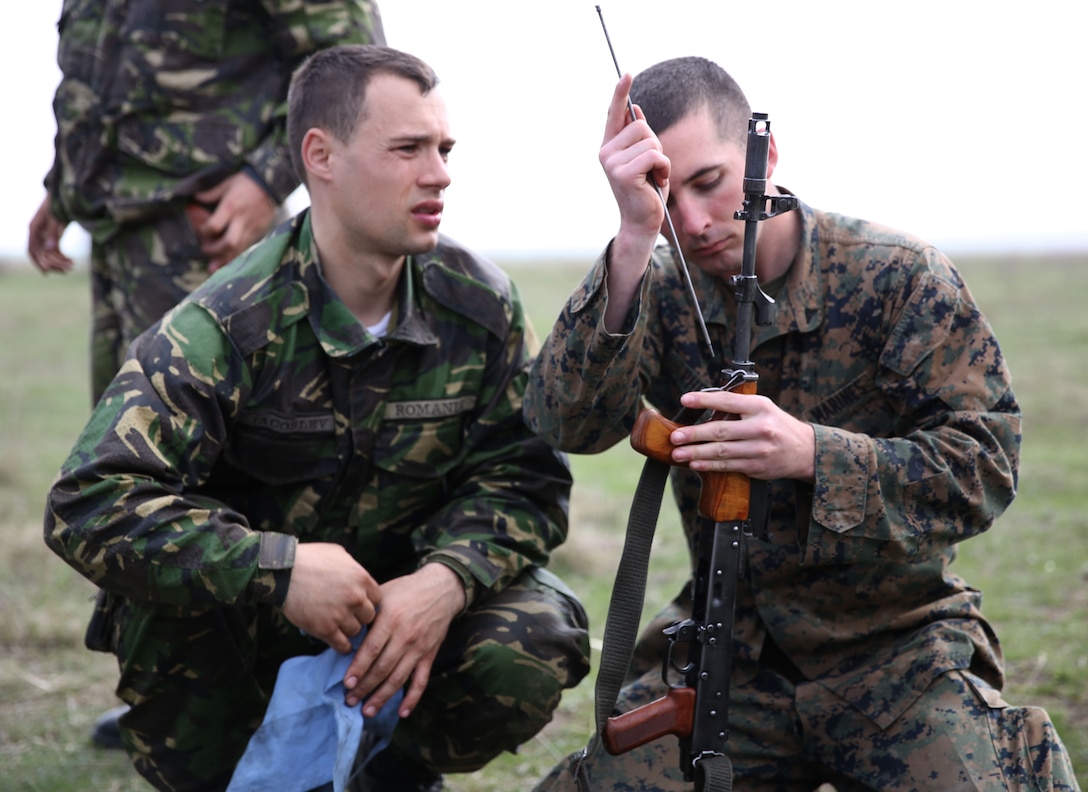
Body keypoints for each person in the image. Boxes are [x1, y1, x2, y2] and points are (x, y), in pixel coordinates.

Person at [43, 44, 590, 792]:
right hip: (247, 629)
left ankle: (394, 770)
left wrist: (447, 579)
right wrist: (279, 566)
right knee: (169, 632)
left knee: (529, 636)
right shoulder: (226, 323)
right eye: (408, 150)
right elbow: (89, 502)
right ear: (321, 156)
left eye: (444, 149)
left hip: (400, 622)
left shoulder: (479, 305)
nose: (440, 174)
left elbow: (526, 477)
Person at [524, 56, 1080, 791]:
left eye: (708, 182)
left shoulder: (897, 278)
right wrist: (631, 243)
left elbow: (986, 467)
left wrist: (812, 454)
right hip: (730, 656)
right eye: (664, 192)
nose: (689, 222)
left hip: (897, 654)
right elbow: (566, 420)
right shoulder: (658, 289)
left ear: (766, 155)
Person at [27, 0, 385, 406]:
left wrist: (266, 180)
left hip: (211, 242)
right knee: (119, 446)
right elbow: (95, 73)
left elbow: (355, 69)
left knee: (212, 450)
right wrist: (63, 184)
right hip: (114, 236)